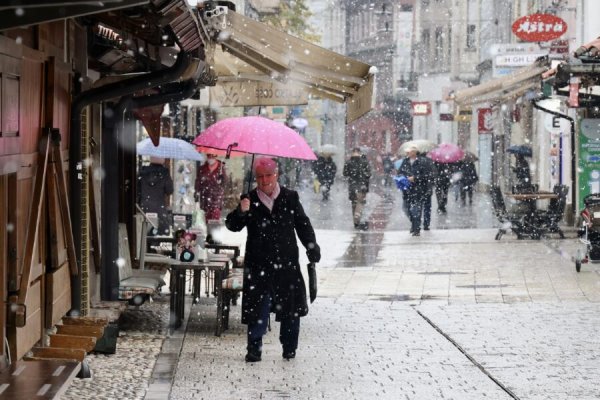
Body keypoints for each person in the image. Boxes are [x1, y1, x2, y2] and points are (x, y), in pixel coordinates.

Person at [225, 157, 321, 362]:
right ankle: (254, 348)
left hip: (286, 263)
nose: (264, 180)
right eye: (260, 176)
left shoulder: (290, 197)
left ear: (276, 175)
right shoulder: (249, 199)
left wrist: (311, 247)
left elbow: (303, 225)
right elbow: (232, 226)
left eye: (268, 175)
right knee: (257, 309)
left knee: (290, 309)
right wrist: (241, 211)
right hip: (258, 264)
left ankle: (289, 347)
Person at [398, 146, 431, 236]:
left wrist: (415, 178)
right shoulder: (405, 161)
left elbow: (427, 175)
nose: (407, 152)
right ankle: (414, 223)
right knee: (406, 209)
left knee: (415, 209)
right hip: (407, 190)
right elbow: (400, 172)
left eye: (410, 150)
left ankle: (416, 229)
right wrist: (402, 178)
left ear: (415, 152)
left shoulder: (422, 162)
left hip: (418, 190)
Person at [137, 156, 174, 235]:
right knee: (160, 236)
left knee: (143, 233)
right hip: (159, 209)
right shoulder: (165, 173)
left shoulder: (143, 172)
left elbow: (137, 190)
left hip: (144, 208)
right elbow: (169, 190)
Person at [343, 147, 372, 229]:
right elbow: (368, 174)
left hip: (352, 185)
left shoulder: (348, 162)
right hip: (362, 186)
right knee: (360, 202)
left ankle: (355, 221)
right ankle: (357, 217)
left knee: (354, 203)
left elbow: (345, 174)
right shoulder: (364, 162)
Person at [194, 153, 228, 222]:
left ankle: (213, 231)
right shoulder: (202, 168)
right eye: (209, 156)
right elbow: (198, 181)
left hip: (216, 197)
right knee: (207, 218)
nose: (211, 158)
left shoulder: (221, 168)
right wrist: (197, 191)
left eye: (213, 156)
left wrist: (222, 180)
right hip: (205, 196)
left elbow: (225, 183)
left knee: (215, 217)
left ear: (216, 156)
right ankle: (208, 231)